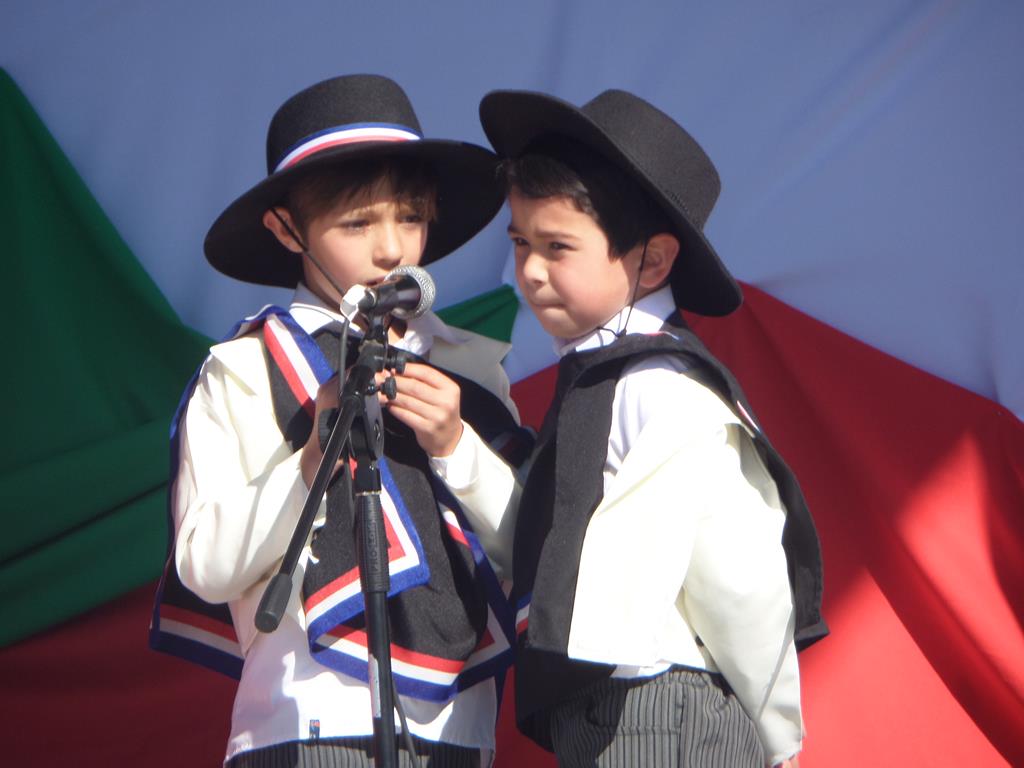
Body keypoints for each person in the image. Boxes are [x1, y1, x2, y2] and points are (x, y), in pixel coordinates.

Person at [150, 74, 528, 768]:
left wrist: (457, 447)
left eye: (410, 217)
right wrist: (308, 463)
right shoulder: (243, 368)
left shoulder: (470, 370)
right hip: (307, 718)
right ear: (285, 227)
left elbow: (530, 555)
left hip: (461, 732)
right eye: (357, 223)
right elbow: (203, 565)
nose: (392, 250)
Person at [461, 88, 828, 767]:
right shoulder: (597, 381)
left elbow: (742, 579)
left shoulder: (664, 387)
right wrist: (454, 448)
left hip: (665, 709)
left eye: (557, 247)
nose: (530, 272)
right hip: (610, 716)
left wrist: (779, 736)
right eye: (520, 242)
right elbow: (546, 542)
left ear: (652, 261)